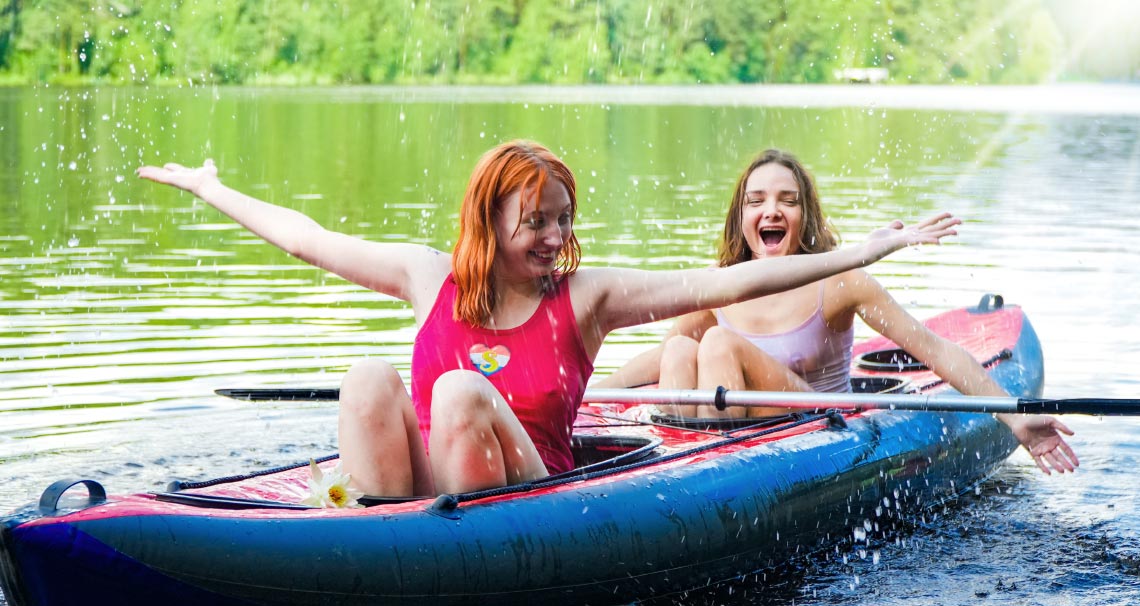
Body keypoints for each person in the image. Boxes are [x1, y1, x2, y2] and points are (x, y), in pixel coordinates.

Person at [137, 141, 961, 497]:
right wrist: (212, 189)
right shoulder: (428, 278)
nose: (556, 237)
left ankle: (428, 555)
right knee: (366, 379)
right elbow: (307, 241)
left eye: (564, 218)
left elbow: (722, 278)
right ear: (489, 224)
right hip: (426, 502)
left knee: (457, 394)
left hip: (534, 497)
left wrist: (863, 252)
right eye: (537, 222)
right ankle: (373, 541)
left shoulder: (587, 298)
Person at [593, 149, 1078, 476]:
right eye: (756, 201)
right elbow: (659, 358)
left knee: (717, 342)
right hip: (714, 447)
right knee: (681, 346)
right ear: (740, 219)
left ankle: (713, 483)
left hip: (816, 429)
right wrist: (587, 397)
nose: (771, 211)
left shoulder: (841, 282)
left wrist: (1017, 420)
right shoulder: (721, 287)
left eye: (788, 201)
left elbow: (935, 351)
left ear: (806, 217)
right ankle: (685, 473)